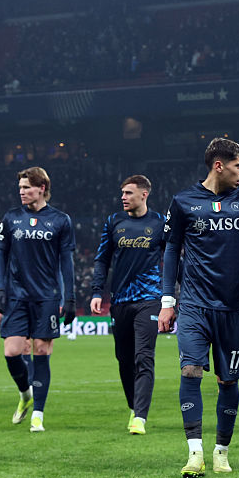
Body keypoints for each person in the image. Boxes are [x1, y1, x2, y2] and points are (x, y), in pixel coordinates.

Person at [158, 138, 239, 477]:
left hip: (233, 307)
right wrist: (168, 301)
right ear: (219, 165)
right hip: (194, 305)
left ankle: (221, 451)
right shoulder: (183, 201)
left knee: (228, 381)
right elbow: (171, 250)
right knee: (190, 370)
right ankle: (195, 453)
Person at [0, 166, 76, 433]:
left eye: (26, 187)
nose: (22, 192)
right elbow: (1, 255)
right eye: (20, 188)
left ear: (42, 188)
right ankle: (25, 393)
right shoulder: (11, 218)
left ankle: (38, 414)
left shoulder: (61, 220)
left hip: (47, 297)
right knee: (11, 351)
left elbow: (67, 262)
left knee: (41, 350)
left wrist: (70, 298)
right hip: (16, 295)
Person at [90, 175, 165, 435]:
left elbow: (173, 257)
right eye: (122, 193)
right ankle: (134, 407)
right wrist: (97, 291)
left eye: (128, 193)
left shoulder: (160, 223)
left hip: (149, 300)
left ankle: (140, 417)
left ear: (144, 194)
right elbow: (102, 259)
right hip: (120, 300)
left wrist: (174, 294)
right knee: (124, 359)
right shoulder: (114, 222)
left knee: (144, 356)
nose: (123, 197)